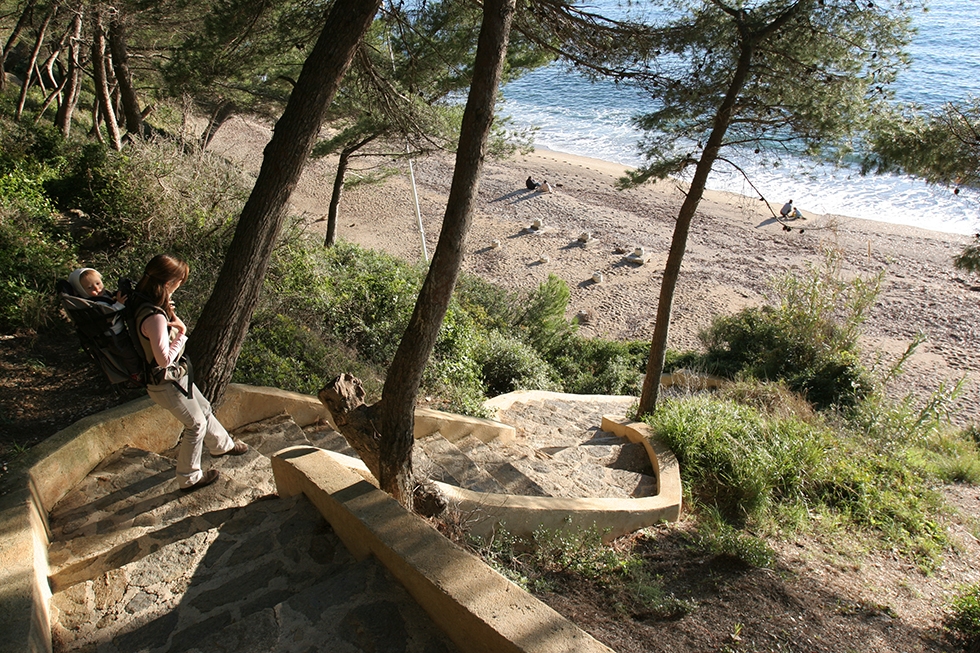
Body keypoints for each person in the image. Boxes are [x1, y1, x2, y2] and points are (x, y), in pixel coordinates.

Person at [134, 254, 248, 491]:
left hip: (176, 379)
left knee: (204, 408)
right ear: (167, 283)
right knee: (195, 424)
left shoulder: (140, 301)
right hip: (166, 382)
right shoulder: (154, 316)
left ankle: (221, 445)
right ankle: (189, 478)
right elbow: (164, 360)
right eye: (177, 282)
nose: (178, 286)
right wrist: (183, 332)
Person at [68, 267, 128, 334]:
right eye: (90, 287)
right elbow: (109, 314)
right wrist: (119, 304)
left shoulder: (103, 296)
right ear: (82, 291)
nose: (97, 288)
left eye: (97, 283)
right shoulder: (96, 303)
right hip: (114, 333)